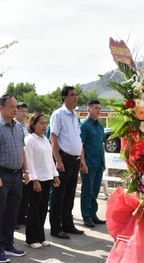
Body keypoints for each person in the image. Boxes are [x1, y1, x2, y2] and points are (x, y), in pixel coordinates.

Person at [0, 94, 30, 263]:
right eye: (11, 107)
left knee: (12, 213)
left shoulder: (18, 126)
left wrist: (26, 171)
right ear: (1, 108)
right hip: (1, 175)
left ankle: (8, 244)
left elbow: (22, 150)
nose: (15, 110)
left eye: (16, 107)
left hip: (17, 176)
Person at [49, 86, 86, 239]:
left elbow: (78, 140)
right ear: (64, 97)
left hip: (75, 160)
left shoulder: (74, 115)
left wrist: (82, 160)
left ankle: (68, 225)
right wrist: (58, 160)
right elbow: (54, 138)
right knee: (59, 195)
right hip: (63, 159)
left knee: (70, 195)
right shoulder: (58, 114)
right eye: (72, 95)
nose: (75, 97)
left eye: (76, 95)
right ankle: (56, 228)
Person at [24, 113, 60, 249]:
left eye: (45, 123)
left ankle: (40, 236)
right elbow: (29, 161)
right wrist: (34, 180)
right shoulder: (30, 140)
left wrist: (55, 175)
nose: (44, 126)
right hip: (36, 180)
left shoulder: (45, 139)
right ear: (33, 124)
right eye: (41, 123)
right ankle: (31, 238)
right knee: (34, 210)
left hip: (47, 178)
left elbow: (50, 160)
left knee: (43, 209)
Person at [79, 100, 106, 228]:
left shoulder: (100, 126)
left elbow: (101, 145)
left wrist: (103, 162)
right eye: (96, 108)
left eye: (100, 108)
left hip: (98, 164)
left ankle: (93, 214)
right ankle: (86, 216)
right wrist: (83, 163)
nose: (98, 110)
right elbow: (81, 146)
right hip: (89, 164)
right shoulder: (84, 125)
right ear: (88, 110)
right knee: (87, 191)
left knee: (95, 191)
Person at [14, 102, 30, 227]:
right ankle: (12, 219)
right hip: (15, 164)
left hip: (27, 164)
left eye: (26, 111)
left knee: (25, 193)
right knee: (15, 195)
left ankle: (21, 216)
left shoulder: (27, 127)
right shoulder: (12, 125)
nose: (24, 113)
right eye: (21, 111)